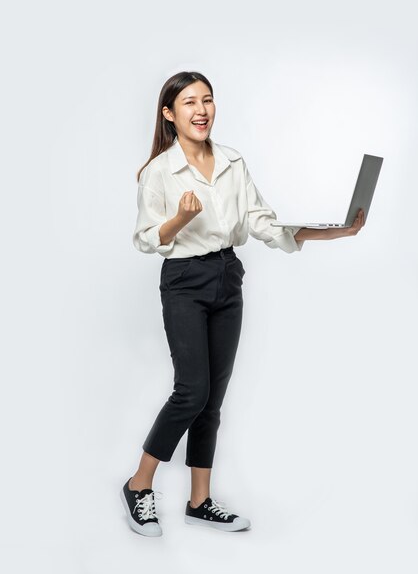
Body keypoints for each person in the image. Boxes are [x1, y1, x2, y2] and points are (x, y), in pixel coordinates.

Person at [120, 71, 365, 537]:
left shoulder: (232, 161)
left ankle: (199, 501)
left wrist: (336, 230)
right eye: (189, 102)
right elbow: (146, 239)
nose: (201, 110)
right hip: (184, 281)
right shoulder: (159, 172)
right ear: (169, 114)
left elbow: (265, 225)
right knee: (190, 392)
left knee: (211, 399)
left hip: (227, 277)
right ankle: (139, 484)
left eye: (207, 100)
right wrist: (180, 219)